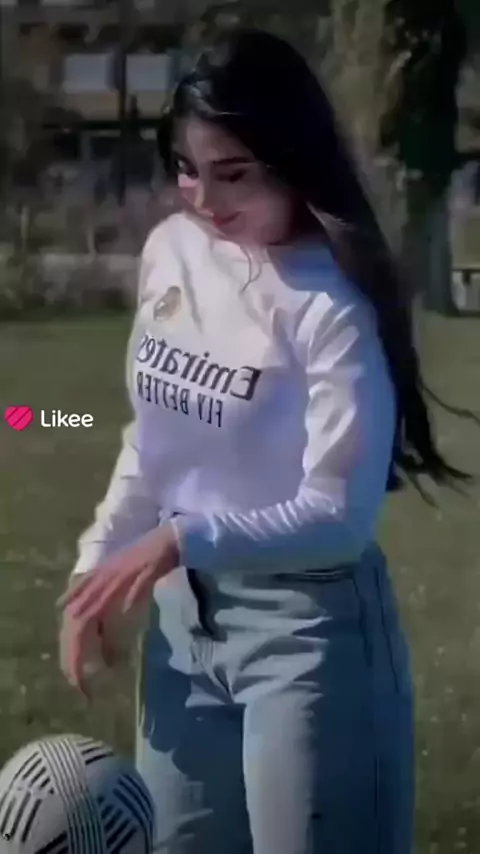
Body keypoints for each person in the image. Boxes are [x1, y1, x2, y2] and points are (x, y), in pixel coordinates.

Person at [58, 28, 470, 854]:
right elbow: (154, 444)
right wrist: (94, 570)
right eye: (187, 168)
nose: (204, 199)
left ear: (291, 158)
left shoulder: (333, 304)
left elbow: (339, 517)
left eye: (234, 172)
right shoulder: (172, 251)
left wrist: (181, 538)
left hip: (309, 639)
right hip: (183, 632)